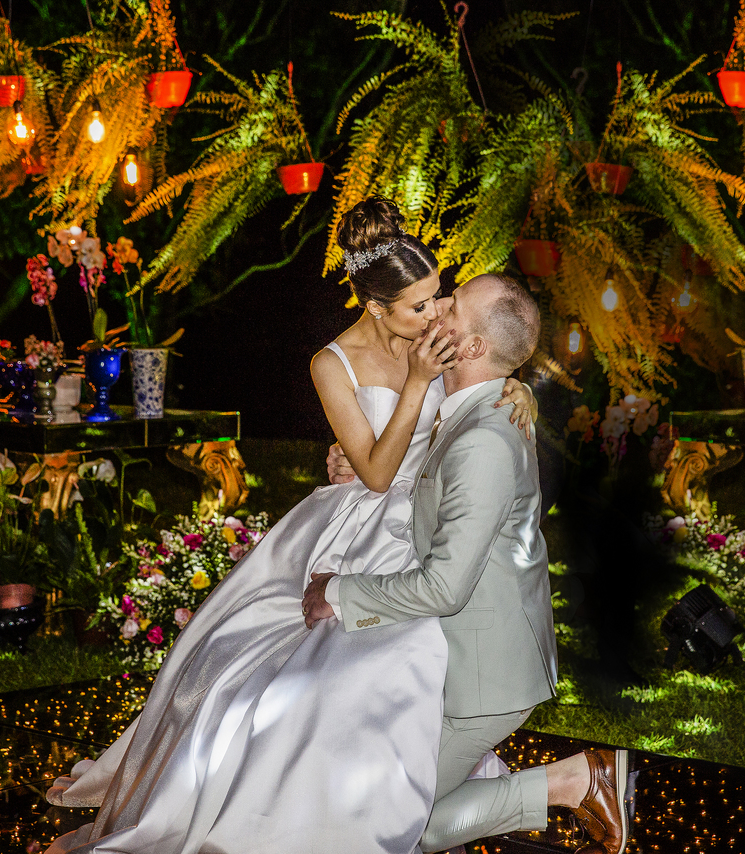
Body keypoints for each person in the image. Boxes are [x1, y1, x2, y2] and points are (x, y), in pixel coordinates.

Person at [42, 196, 536, 854]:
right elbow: (378, 471)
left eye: (439, 296)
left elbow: (481, 386)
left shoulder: (437, 339)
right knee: (287, 667)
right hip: (365, 513)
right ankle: (282, 798)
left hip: (428, 514)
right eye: (421, 303)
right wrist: (408, 395)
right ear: (375, 306)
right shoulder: (332, 362)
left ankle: (393, 784)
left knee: (413, 652)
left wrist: (516, 384)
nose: (436, 311)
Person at [304, 273, 637, 854]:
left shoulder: (483, 435)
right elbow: (413, 471)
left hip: (487, 679)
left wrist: (337, 593)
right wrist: (354, 462)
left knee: (396, 824)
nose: (436, 308)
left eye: (452, 306)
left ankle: (576, 781)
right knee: (377, 796)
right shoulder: (469, 409)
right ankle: (573, 781)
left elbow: (445, 587)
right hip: (457, 658)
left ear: (475, 347)